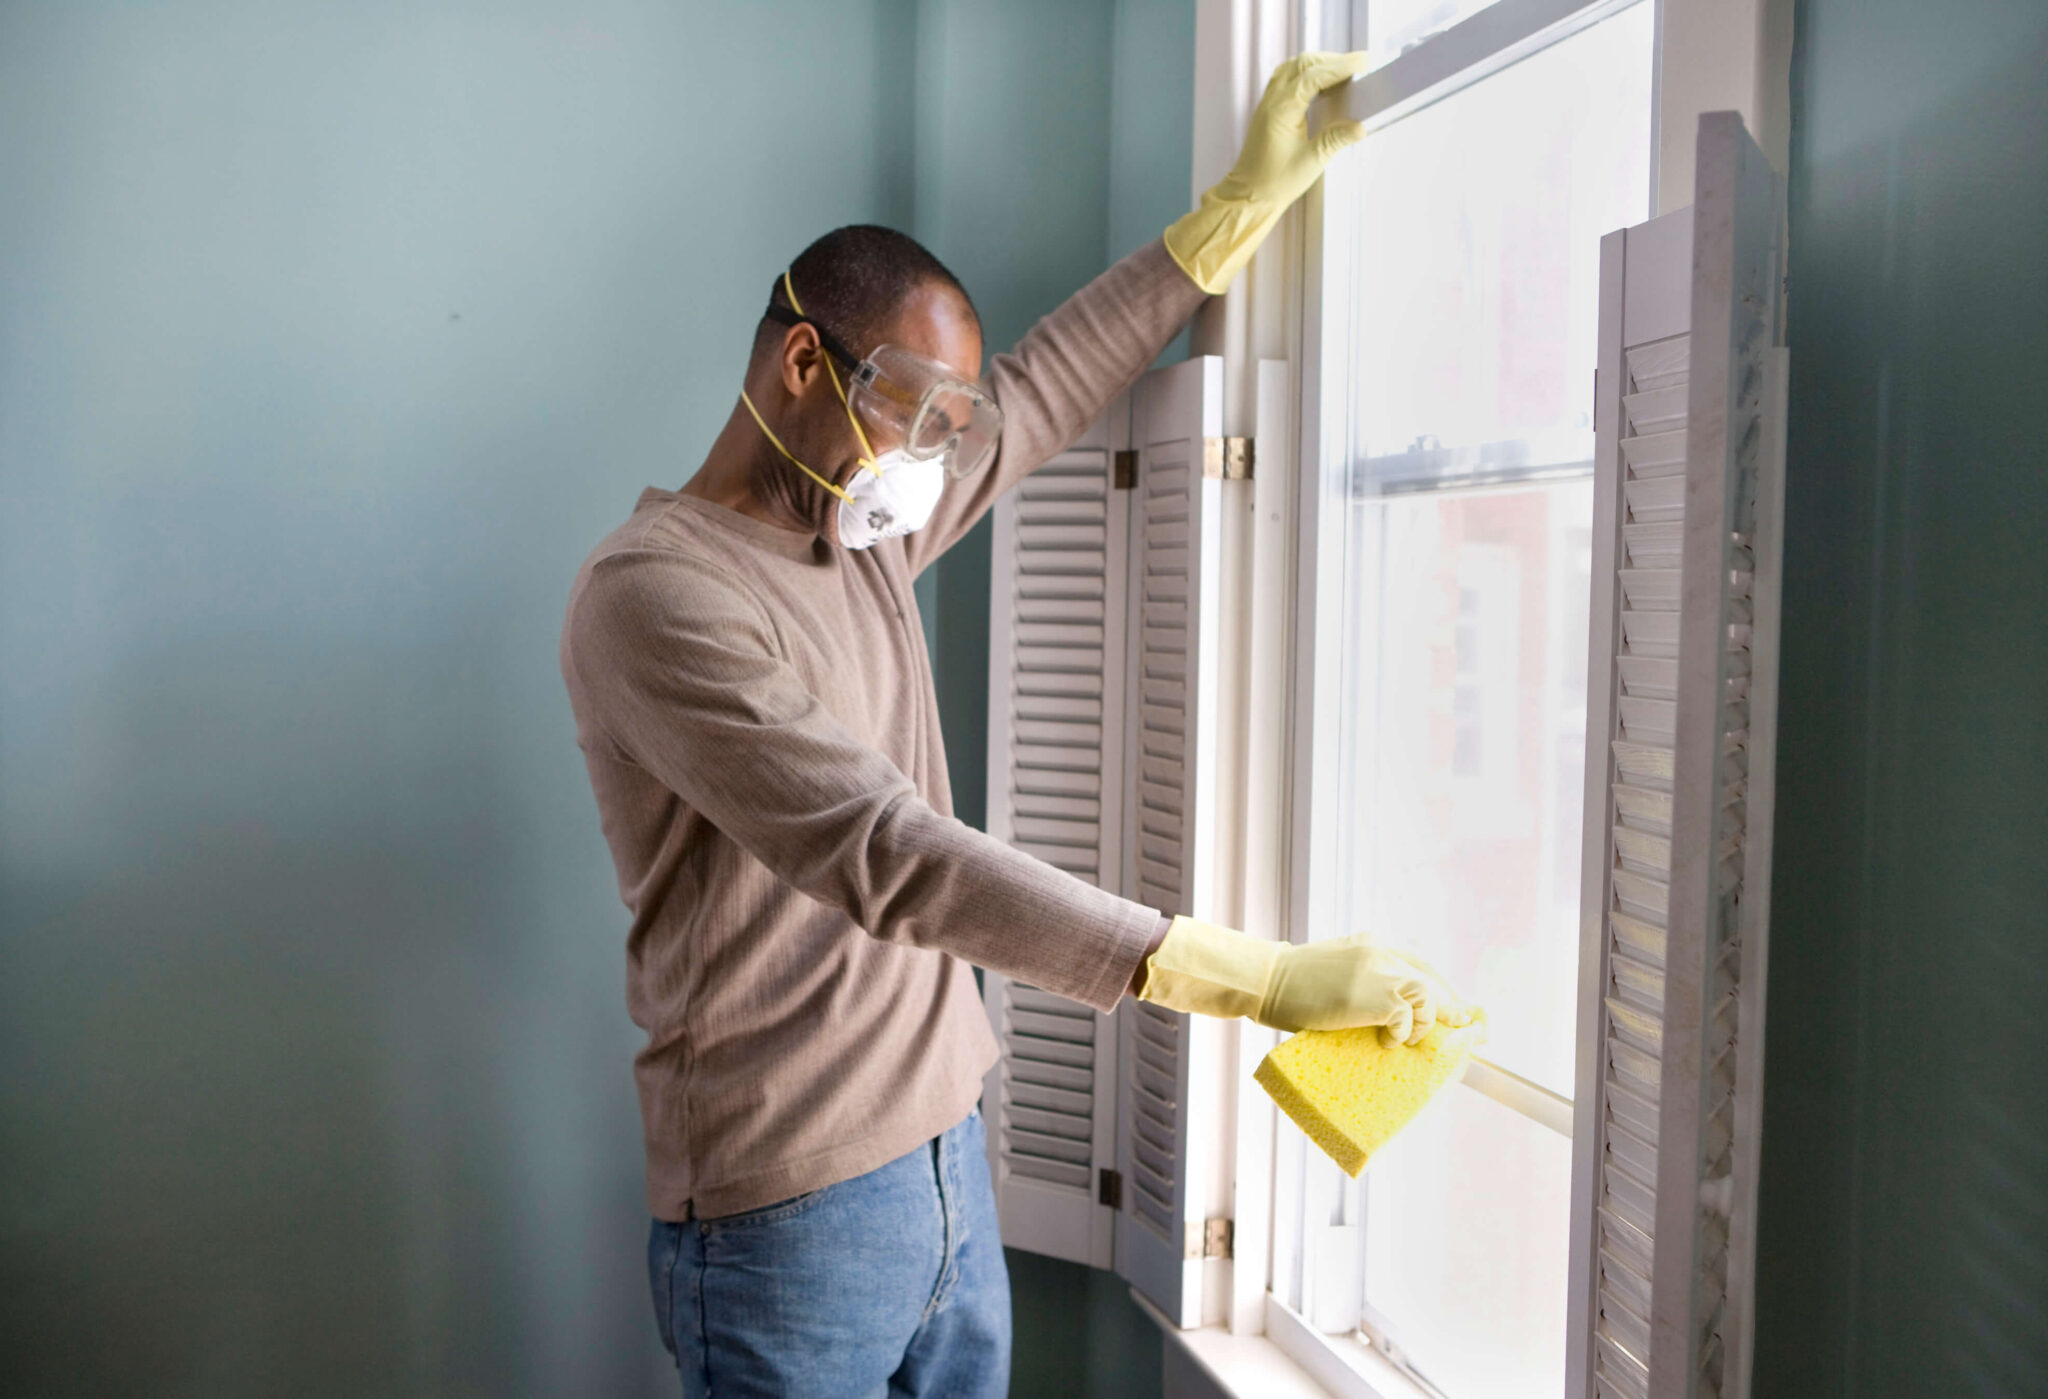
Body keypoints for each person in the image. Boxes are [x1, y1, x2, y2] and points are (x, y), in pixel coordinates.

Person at [559, 51, 1469, 1398]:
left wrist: (1233, 209)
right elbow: (890, 852)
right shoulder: (653, 597)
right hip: (784, 1217)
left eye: (946, 424)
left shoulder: (855, 538)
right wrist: (1252, 981)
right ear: (805, 361)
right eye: (910, 411)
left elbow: (1041, 394)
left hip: (948, 1167)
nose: (927, 455)